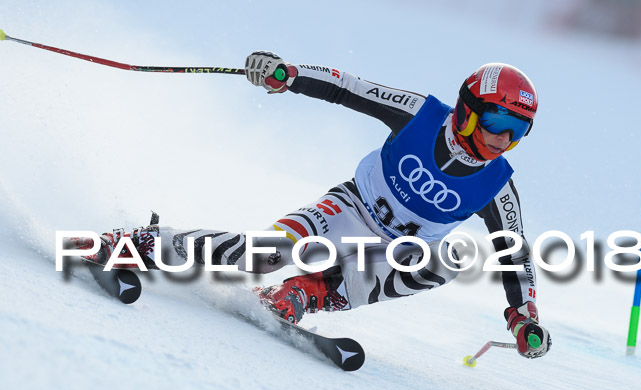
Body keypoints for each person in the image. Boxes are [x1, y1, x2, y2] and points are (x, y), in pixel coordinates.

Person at [76, 51, 552, 359]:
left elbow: (516, 255)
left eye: (518, 131)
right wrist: (288, 76)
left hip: (394, 253)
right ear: (469, 108)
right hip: (349, 209)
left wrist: (524, 316)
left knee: (448, 260)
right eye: (496, 121)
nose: (503, 140)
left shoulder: (496, 186)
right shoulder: (420, 115)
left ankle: (308, 293)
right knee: (261, 255)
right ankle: (142, 243)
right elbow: (351, 86)